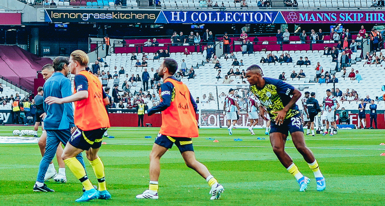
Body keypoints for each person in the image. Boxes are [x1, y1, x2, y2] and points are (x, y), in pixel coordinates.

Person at [136, 58, 224, 200]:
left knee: (154, 155)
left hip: (172, 127)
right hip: (184, 127)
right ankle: (214, 184)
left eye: (160, 66)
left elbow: (165, 103)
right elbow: (194, 106)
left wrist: (151, 110)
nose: (159, 68)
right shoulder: (182, 85)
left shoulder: (167, 84)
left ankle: (152, 191)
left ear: (165, 70)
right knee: (191, 161)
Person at [245, 65, 325, 192]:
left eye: (249, 76)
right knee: (277, 149)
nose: (247, 79)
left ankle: (318, 175)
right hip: (276, 119)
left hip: (291, 114)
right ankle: (300, 178)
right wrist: (261, 108)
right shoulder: (253, 88)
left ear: (258, 75)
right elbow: (261, 98)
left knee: (300, 146)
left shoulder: (275, 84)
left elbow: (297, 94)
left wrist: (284, 110)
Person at [44, 50, 110, 202]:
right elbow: (107, 101)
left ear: (76, 63)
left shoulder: (80, 76)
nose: (68, 64)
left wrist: (61, 100)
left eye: (70, 61)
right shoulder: (95, 78)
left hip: (89, 123)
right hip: (102, 123)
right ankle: (103, 189)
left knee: (66, 155)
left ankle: (89, 188)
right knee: (92, 156)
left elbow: (83, 94)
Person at [33, 57, 85, 191]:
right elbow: (67, 101)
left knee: (48, 155)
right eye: (67, 66)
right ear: (63, 66)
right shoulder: (65, 81)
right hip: (62, 123)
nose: (69, 68)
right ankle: (87, 185)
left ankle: (38, 183)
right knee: (77, 152)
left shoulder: (47, 82)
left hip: (50, 122)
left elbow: (45, 103)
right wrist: (72, 122)